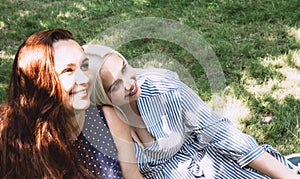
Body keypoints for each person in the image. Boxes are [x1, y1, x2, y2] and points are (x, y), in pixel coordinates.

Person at [84, 44, 300, 179]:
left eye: (125, 68)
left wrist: (286, 176)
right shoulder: (101, 125)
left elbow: (222, 134)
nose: (130, 83)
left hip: (214, 166)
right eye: (115, 86)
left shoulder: (163, 89)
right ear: (101, 95)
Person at [0, 29, 141, 178]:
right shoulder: (11, 137)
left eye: (84, 66)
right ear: (39, 82)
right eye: (68, 70)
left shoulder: (109, 119)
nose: (85, 79)